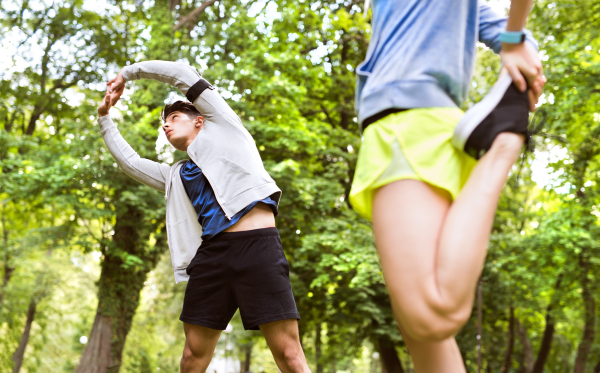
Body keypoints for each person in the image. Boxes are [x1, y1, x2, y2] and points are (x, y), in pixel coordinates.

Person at [350, 0, 545, 371]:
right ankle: (504, 129)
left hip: (407, 123)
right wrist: (520, 44)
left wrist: (516, 36)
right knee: (422, 334)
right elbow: (508, 35)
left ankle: (506, 141)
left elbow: (513, 36)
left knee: (433, 314)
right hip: (420, 124)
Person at [97, 61, 311, 373]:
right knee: (191, 359)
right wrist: (104, 117)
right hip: (211, 258)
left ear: (200, 120)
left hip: (258, 249)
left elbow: (182, 75)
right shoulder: (177, 175)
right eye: (164, 123)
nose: (166, 125)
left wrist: (127, 73)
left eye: (173, 118)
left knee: (289, 356)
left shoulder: (226, 128)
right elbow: (130, 162)